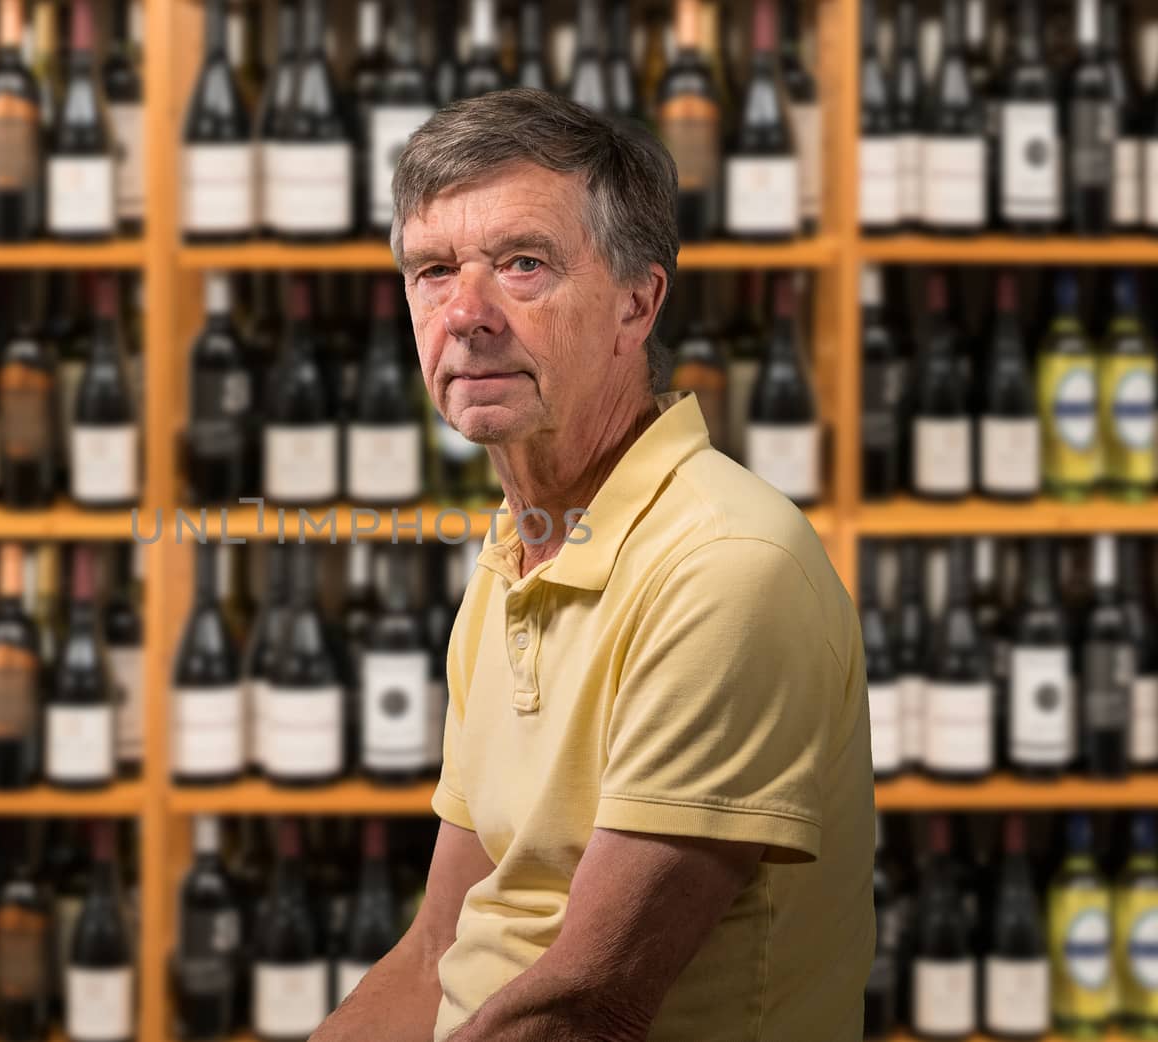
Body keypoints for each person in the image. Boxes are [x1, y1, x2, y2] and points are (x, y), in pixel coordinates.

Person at [311, 89, 874, 1042]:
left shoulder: (723, 569)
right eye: (433, 270)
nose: (466, 313)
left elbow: (585, 1013)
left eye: (523, 265)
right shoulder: (516, 555)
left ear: (635, 304)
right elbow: (435, 952)